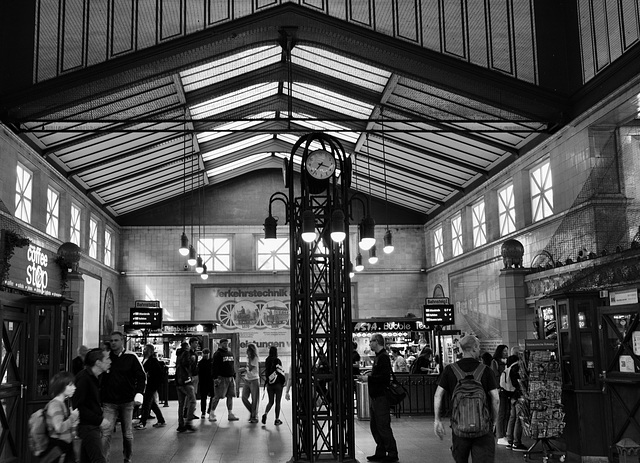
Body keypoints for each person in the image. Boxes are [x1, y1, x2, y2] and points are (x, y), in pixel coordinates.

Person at [433, 335, 499, 462]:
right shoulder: (485, 370)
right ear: (474, 348)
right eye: (478, 347)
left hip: (459, 427)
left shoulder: (450, 370)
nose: (479, 350)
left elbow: (438, 395)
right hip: (483, 427)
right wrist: (494, 421)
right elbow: (495, 398)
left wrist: (437, 420)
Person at [100, 331, 146, 463]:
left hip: (127, 401)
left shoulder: (131, 357)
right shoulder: (107, 358)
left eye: (116, 340)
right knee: (106, 432)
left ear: (122, 341)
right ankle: (103, 460)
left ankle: (127, 457)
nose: (113, 343)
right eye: (111, 341)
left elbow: (141, 376)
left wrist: (139, 393)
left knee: (127, 433)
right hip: (109, 401)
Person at [358, 334, 399, 463]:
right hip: (375, 397)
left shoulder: (383, 358)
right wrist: (371, 374)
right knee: (375, 426)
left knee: (383, 426)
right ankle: (380, 451)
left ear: (377, 342)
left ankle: (392, 453)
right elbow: (380, 375)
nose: (369, 344)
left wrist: (368, 378)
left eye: (371, 341)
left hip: (381, 397)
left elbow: (384, 378)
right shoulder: (378, 357)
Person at [73, 348, 111, 463]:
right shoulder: (84, 378)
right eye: (107, 359)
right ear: (98, 363)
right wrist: (99, 420)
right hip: (88, 427)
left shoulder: (95, 377)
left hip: (90, 426)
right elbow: (78, 406)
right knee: (98, 459)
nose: (110, 361)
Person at [43, 371, 80, 463]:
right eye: (70, 385)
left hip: (64, 447)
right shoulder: (55, 405)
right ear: (62, 387)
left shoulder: (62, 403)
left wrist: (73, 421)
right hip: (59, 448)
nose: (74, 388)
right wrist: (73, 417)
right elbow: (59, 428)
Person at [134, 344, 166, 430]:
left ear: (151, 351)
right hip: (145, 385)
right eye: (144, 349)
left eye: (146, 349)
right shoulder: (144, 360)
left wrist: (152, 381)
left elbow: (158, 374)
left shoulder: (153, 361)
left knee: (146, 404)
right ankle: (161, 420)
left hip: (150, 386)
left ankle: (142, 422)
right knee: (152, 404)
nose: (144, 351)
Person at [208, 338, 239, 422]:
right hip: (221, 378)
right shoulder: (217, 354)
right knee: (217, 396)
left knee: (230, 396)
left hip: (230, 377)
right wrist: (215, 378)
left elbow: (232, 365)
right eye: (224, 343)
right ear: (220, 344)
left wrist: (234, 374)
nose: (226, 345)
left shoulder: (230, 353)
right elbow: (214, 367)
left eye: (227, 343)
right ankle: (211, 413)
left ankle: (230, 413)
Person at [504, 355, 527, 451]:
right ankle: (516, 442)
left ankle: (510, 441)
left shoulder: (509, 368)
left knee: (512, 417)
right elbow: (518, 382)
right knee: (518, 418)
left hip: (511, 395)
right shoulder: (516, 368)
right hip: (518, 395)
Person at [491, 344, 510, 444]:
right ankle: (500, 435)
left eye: (507, 351)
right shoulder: (495, 362)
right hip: (500, 389)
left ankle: (504, 432)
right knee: (501, 413)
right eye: (504, 351)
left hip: (507, 389)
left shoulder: (507, 363)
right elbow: (495, 375)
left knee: (506, 412)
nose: (506, 353)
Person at [175, 346, 197, 432]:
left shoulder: (178, 354)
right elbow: (186, 363)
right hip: (186, 381)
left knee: (181, 404)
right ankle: (188, 422)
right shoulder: (187, 353)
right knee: (193, 400)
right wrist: (192, 359)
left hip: (178, 381)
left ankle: (181, 424)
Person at [262, 346, 286, 425]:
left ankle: (265, 413)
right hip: (278, 384)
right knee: (277, 402)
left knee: (270, 401)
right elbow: (280, 372)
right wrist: (283, 382)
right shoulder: (277, 360)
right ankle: (277, 419)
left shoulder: (267, 360)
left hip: (270, 384)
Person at [241, 343, 260, 423]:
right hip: (247, 379)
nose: (247, 351)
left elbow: (250, 368)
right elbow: (248, 368)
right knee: (244, 397)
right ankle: (253, 412)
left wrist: (244, 369)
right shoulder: (247, 357)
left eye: (248, 350)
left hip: (254, 379)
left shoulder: (255, 358)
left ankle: (254, 416)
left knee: (254, 399)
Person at [197, 348, 213, 418]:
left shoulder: (201, 363)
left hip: (207, 381)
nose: (205, 355)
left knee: (208, 397)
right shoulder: (201, 363)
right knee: (204, 397)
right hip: (204, 382)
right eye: (204, 354)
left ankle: (208, 410)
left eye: (207, 354)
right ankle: (205, 411)